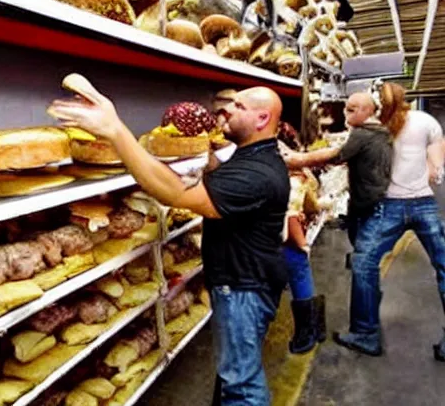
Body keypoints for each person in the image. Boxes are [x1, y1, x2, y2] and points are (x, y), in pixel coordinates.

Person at [49, 75, 291, 406]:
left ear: (262, 119)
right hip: (247, 280)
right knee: (235, 371)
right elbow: (219, 173)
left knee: (242, 385)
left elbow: (177, 193)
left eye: (238, 106)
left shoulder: (258, 174)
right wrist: (203, 150)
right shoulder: (252, 156)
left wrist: (116, 131)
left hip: (243, 288)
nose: (226, 109)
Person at [333, 83, 445, 360]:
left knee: (364, 263)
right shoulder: (425, 120)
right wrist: (432, 172)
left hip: (388, 206)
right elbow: (436, 160)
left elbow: (345, 157)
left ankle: (365, 334)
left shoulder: (374, 127)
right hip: (424, 204)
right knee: (443, 266)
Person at [283, 90, 393, 356]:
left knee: (363, 266)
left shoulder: (363, 134)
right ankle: (348, 326)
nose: (346, 114)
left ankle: (365, 332)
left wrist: (294, 160)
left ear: (369, 111)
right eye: (347, 109)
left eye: (353, 109)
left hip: (371, 207)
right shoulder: (380, 133)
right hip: (371, 206)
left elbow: (334, 157)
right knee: (363, 263)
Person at [282, 168, 326, 354]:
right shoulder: (303, 177)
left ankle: (308, 330)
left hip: (272, 239)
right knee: (300, 271)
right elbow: (311, 206)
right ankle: (315, 325)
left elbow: (291, 214)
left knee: (296, 268)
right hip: (286, 237)